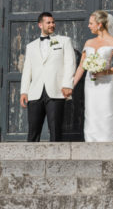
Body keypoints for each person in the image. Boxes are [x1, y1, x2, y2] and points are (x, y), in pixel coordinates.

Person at [20, 12, 76, 142]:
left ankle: (56, 159)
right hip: (35, 92)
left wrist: (68, 85)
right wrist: (24, 91)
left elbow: (70, 63)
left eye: (53, 22)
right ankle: (31, 159)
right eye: (48, 22)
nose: (52, 25)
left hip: (56, 91)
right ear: (40, 25)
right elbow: (27, 70)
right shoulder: (31, 46)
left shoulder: (64, 41)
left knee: (55, 129)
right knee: (33, 130)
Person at [73, 10, 113, 141]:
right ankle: (90, 142)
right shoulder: (88, 42)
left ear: (100, 24)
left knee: (106, 113)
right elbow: (81, 66)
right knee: (91, 113)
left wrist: (104, 72)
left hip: (106, 83)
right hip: (90, 83)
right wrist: (71, 85)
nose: (89, 26)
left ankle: (107, 142)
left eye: (91, 23)